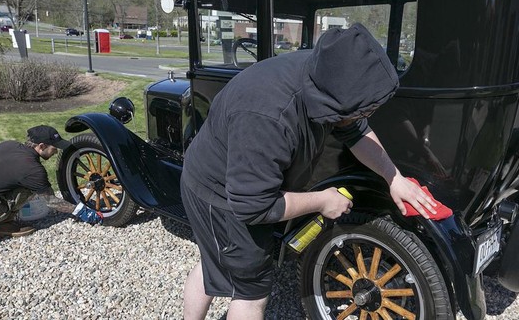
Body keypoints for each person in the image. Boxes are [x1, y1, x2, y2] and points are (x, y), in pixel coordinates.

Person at [180, 23, 440, 319]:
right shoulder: (267, 116)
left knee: (214, 260)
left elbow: (355, 131)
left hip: (236, 177)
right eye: (363, 110)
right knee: (251, 292)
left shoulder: (328, 71)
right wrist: (322, 200)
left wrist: (394, 178)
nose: (367, 117)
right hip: (219, 194)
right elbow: (253, 206)